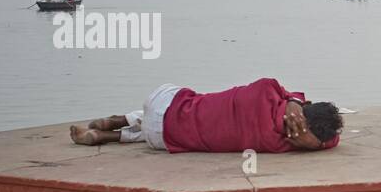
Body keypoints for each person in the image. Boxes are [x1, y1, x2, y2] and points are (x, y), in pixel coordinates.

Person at [69, 78, 343, 153]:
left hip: (162, 102)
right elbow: (333, 142)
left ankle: (117, 121)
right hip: (164, 141)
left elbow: (292, 93)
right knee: (169, 130)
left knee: (188, 107)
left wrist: (294, 100)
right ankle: (105, 135)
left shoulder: (266, 89)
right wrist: (313, 143)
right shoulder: (279, 144)